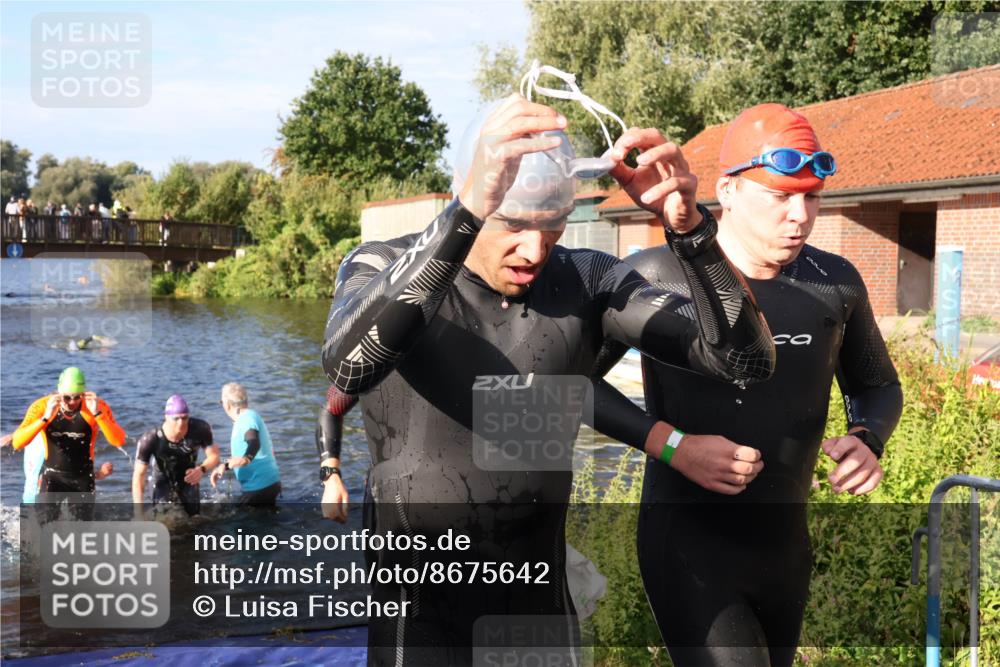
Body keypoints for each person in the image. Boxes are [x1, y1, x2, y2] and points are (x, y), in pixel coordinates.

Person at [321, 93, 776, 664]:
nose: (534, 249)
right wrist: (464, 214)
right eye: (512, 223)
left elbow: (747, 363)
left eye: (554, 225)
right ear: (471, 193)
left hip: (536, 613)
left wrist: (692, 235)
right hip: (420, 625)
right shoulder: (380, 263)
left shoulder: (586, 280)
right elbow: (347, 365)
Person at [589, 103, 904, 667]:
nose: (800, 216)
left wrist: (867, 436)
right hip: (689, 543)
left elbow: (877, 384)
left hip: (784, 548)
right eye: (781, 196)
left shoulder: (833, 282)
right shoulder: (656, 276)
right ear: (727, 191)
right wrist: (672, 444)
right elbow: (568, 383)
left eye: (812, 196)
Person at [12, 367, 126, 520]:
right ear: (59, 393)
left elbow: (119, 440)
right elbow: (17, 443)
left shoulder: (95, 407)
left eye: (77, 397)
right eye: (67, 397)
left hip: (83, 478)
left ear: (84, 393)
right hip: (52, 476)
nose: (72, 402)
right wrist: (45, 418)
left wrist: (98, 414)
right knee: (44, 529)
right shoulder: (42, 406)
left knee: (81, 534)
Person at [133, 395, 221, 516]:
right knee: (162, 518)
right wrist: (138, 513)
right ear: (166, 417)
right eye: (176, 419)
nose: (181, 423)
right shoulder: (150, 439)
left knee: (194, 518)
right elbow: (139, 475)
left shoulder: (200, 428)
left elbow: (214, 456)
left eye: (184, 418)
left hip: (188, 477)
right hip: (162, 478)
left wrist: (201, 469)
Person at [210, 383, 281, 505]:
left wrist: (246, 459)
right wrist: (225, 466)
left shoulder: (246, 418)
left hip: (259, 487)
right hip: (267, 483)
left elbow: (254, 443)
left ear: (227, 404)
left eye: (221, 402)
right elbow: (244, 452)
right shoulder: (248, 417)